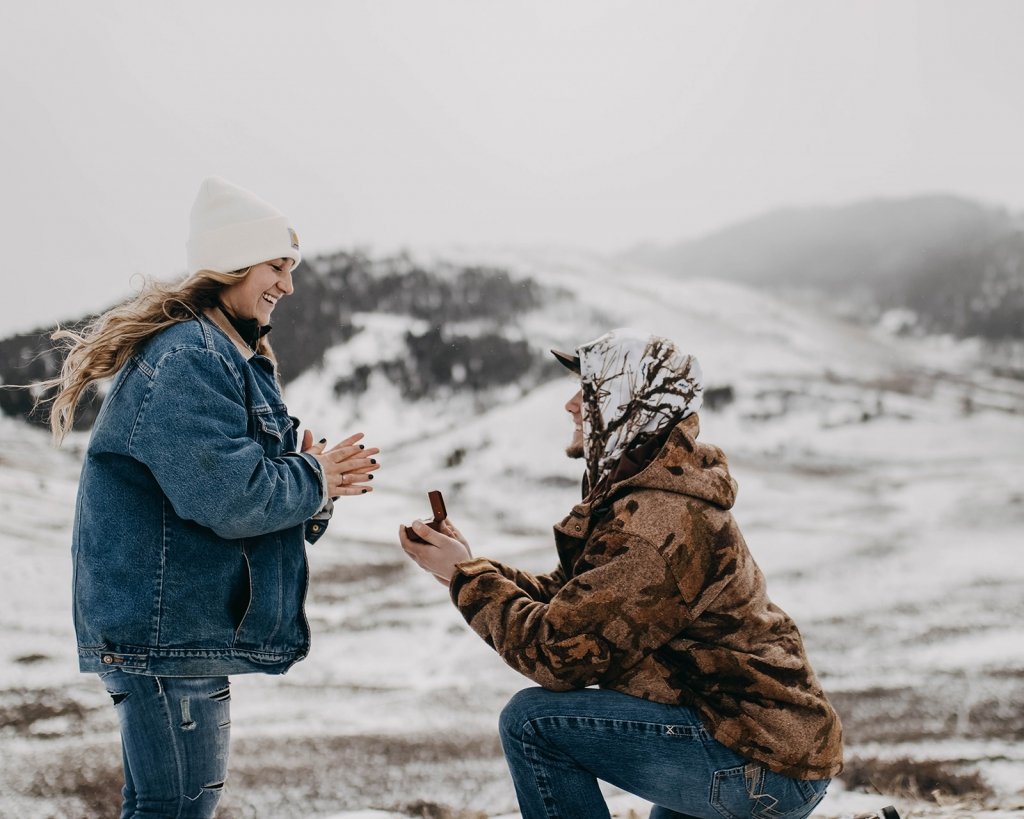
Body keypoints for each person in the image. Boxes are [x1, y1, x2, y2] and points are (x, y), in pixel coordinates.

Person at [399, 327, 842, 819]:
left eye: (588, 392)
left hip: (754, 760)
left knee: (532, 723)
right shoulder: (647, 493)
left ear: (631, 405)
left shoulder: (656, 524)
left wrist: (468, 581)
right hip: (751, 741)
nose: (570, 405)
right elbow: (576, 599)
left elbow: (557, 654)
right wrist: (466, 566)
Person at [45, 176, 380, 818]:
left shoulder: (226, 356)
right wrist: (313, 477)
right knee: (175, 810)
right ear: (231, 265)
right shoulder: (192, 358)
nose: (288, 284)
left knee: (163, 806)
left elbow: (248, 503)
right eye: (276, 266)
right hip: (165, 635)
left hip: (172, 631)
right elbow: (231, 497)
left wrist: (315, 489)